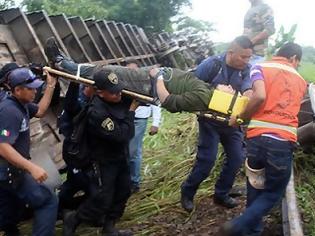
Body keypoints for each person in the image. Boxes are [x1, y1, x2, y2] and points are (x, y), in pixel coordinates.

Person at [219, 42, 307, 235]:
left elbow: (258, 96)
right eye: (297, 62)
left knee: (255, 183)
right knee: (274, 192)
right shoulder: (301, 80)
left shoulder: (260, 67)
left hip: (256, 138)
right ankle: (239, 225)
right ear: (293, 58)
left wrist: (241, 117)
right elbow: (260, 97)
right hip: (282, 142)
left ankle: (253, 231)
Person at [44, 37, 237, 113]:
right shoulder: (206, 91)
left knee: (105, 72)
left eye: (230, 91)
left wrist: (158, 76)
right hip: (148, 78)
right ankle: (66, 63)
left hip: (148, 82)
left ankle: (62, 63)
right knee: (106, 70)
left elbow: (169, 102)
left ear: (224, 98)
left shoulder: (203, 97)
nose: (230, 87)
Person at [179, 35, 253, 212]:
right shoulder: (212, 65)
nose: (246, 60)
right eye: (243, 56)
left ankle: (221, 193)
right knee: (207, 160)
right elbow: (190, 85)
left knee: (236, 158)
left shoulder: (246, 69)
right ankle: (187, 192)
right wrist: (213, 90)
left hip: (232, 122)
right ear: (230, 53)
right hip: (209, 121)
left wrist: (250, 93)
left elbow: (248, 87)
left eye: (249, 57)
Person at [62, 68, 138, 236]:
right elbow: (123, 135)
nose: (118, 94)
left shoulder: (117, 97)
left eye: (119, 89)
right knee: (103, 197)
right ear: (100, 93)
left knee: (123, 191)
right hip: (103, 161)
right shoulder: (96, 112)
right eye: (113, 92)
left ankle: (109, 226)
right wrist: (131, 112)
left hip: (120, 156)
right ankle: (74, 218)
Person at [0, 67, 58, 236]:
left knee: (10, 209)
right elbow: (2, 146)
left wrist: (51, 85)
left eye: (35, 87)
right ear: (17, 90)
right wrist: (31, 167)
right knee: (47, 201)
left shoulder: (22, 104)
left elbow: (39, 111)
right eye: (30, 88)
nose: (34, 91)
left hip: (8, 172)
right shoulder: (9, 111)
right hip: (8, 171)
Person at [57, 82, 96, 212]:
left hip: (86, 150)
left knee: (74, 181)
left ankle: (60, 206)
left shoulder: (93, 100)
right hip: (75, 151)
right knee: (81, 181)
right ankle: (64, 209)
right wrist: (74, 82)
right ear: (88, 87)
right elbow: (70, 105)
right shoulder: (77, 101)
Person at [126, 60, 162, 193]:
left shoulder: (146, 83)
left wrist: (155, 123)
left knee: (133, 151)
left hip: (139, 119)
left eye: (134, 70)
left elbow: (155, 102)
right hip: (125, 119)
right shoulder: (124, 83)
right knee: (126, 151)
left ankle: (134, 182)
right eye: (128, 71)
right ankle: (127, 179)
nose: (131, 73)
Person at [244, 0, 275, 65]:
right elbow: (246, 32)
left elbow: (270, 29)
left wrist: (251, 42)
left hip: (258, 55)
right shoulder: (249, 10)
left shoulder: (264, 8)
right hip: (246, 55)